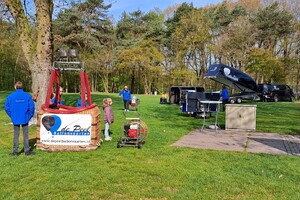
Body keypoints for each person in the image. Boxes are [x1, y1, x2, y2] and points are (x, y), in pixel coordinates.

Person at [4, 81, 35, 156]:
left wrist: (12, 115)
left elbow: (6, 107)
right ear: (22, 87)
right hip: (25, 117)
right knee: (25, 134)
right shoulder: (27, 96)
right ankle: (27, 151)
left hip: (16, 118)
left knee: (16, 134)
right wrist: (29, 116)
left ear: (15, 87)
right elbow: (32, 107)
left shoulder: (11, 96)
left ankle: (15, 152)